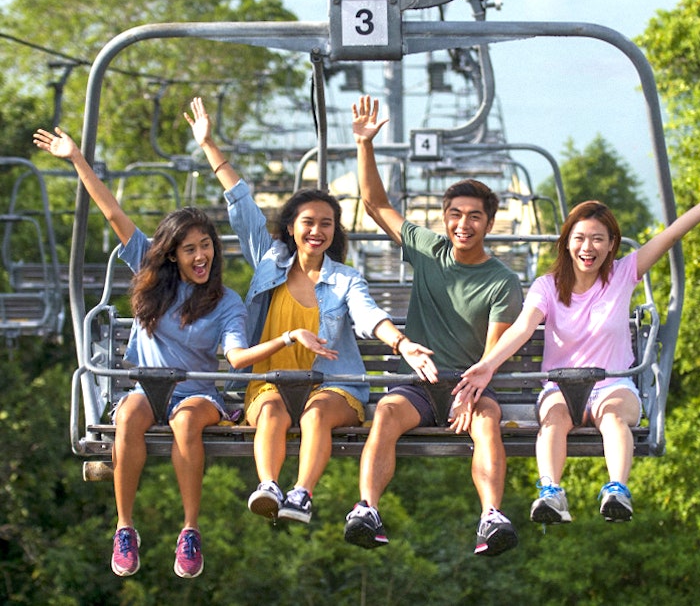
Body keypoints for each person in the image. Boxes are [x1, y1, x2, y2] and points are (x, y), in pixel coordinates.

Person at [33, 127, 324, 578]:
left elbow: (237, 358)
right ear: (172, 255)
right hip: (147, 387)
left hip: (196, 393)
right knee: (128, 415)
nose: (201, 256)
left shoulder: (226, 302)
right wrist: (76, 160)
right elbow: (112, 213)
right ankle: (125, 528)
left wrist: (286, 340)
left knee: (186, 420)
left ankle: (190, 531)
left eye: (206, 246)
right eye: (190, 249)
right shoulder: (153, 278)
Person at [455, 169, 700, 524]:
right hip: (560, 385)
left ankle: (617, 489)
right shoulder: (547, 286)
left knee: (614, 418)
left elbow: (673, 234)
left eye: (598, 240)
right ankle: (551, 493)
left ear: (612, 244)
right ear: (567, 241)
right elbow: (523, 327)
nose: (588, 249)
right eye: (581, 238)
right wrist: (488, 365)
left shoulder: (623, 274)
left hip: (613, 384)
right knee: (553, 422)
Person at [184, 97, 437, 525]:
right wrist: (209, 145)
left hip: (333, 386)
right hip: (270, 380)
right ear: (290, 228)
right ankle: (269, 484)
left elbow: (368, 314)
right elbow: (240, 204)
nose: (317, 231)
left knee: (317, 411)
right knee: (270, 410)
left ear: (334, 232)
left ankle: (301, 494)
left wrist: (402, 342)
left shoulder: (345, 279)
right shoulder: (269, 262)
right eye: (308, 222)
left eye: (326, 224)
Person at [341, 95, 524, 556]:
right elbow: (376, 204)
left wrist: (469, 392)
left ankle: (491, 516)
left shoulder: (502, 281)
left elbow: (492, 355)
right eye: (456, 215)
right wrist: (365, 145)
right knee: (384, 413)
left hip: (472, 385)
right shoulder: (427, 248)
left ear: (489, 222)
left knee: (487, 424)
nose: (464, 224)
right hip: (420, 386)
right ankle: (367, 508)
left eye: (475, 216)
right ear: (445, 218)